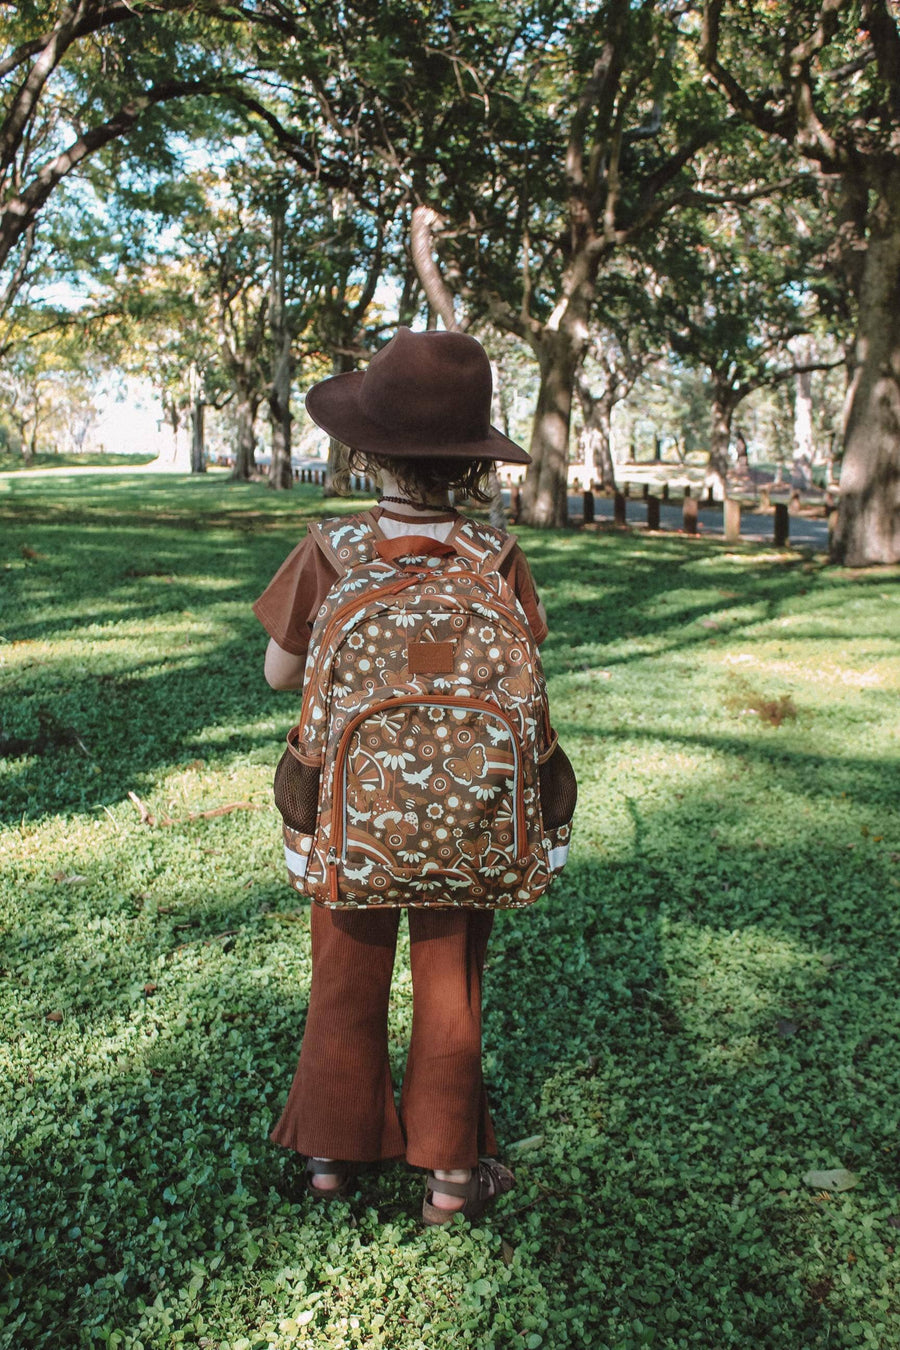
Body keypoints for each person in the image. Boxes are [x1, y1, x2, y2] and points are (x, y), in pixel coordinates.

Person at [253, 327, 548, 1224]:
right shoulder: (495, 560)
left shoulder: (332, 549)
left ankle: (334, 1156)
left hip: (353, 813)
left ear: (363, 450)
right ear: (469, 466)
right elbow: (524, 670)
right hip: (467, 818)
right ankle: (453, 1174)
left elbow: (278, 674)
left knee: (344, 971)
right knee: (450, 984)